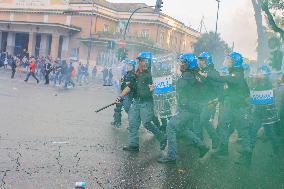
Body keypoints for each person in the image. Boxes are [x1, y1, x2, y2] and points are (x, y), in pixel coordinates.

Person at [200, 52, 252, 165]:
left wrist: (207, 75)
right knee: (223, 124)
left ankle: (247, 157)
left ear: (235, 62)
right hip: (232, 106)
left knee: (243, 129)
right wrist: (217, 100)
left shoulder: (237, 75)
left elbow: (221, 78)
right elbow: (228, 92)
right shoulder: (234, 73)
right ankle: (223, 150)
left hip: (240, 107)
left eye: (229, 60)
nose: (227, 62)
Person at [157, 53, 209, 164]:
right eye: (181, 62)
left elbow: (176, 86)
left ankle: (171, 156)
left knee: (171, 126)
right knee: (182, 129)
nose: (181, 64)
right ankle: (201, 146)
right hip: (193, 108)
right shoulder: (194, 74)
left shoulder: (188, 76)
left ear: (189, 64)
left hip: (189, 108)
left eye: (184, 62)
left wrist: (160, 85)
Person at [116, 52, 166, 152]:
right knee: (133, 123)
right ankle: (134, 144)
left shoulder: (153, 75)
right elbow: (130, 86)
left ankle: (162, 138)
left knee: (147, 122)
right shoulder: (137, 74)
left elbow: (161, 88)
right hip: (136, 101)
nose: (139, 62)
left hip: (147, 102)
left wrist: (154, 88)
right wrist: (120, 96)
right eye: (139, 60)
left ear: (148, 62)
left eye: (141, 60)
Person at [197, 52, 222, 149]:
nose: (200, 62)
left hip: (210, 101)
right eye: (200, 59)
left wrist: (217, 99)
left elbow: (220, 86)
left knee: (203, 119)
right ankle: (199, 142)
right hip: (201, 100)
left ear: (208, 61)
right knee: (199, 120)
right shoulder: (202, 70)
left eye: (202, 60)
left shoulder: (213, 72)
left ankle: (215, 139)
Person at [111, 59, 136, 128]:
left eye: (130, 65)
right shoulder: (127, 74)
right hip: (122, 93)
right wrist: (120, 81)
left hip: (128, 94)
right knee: (118, 106)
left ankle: (133, 125)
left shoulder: (133, 75)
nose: (128, 66)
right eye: (127, 65)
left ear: (133, 66)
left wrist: (123, 83)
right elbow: (123, 82)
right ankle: (117, 121)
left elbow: (129, 85)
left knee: (128, 109)